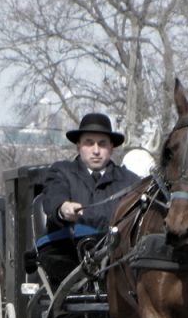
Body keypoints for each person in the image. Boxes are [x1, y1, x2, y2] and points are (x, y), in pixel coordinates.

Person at [37, 112, 142, 289]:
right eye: (89, 143)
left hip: (117, 257)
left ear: (111, 148)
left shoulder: (130, 181)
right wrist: (63, 208)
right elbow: (54, 195)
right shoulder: (61, 172)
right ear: (78, 146)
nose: (96, 150)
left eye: (102, 144)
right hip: (68, 253)